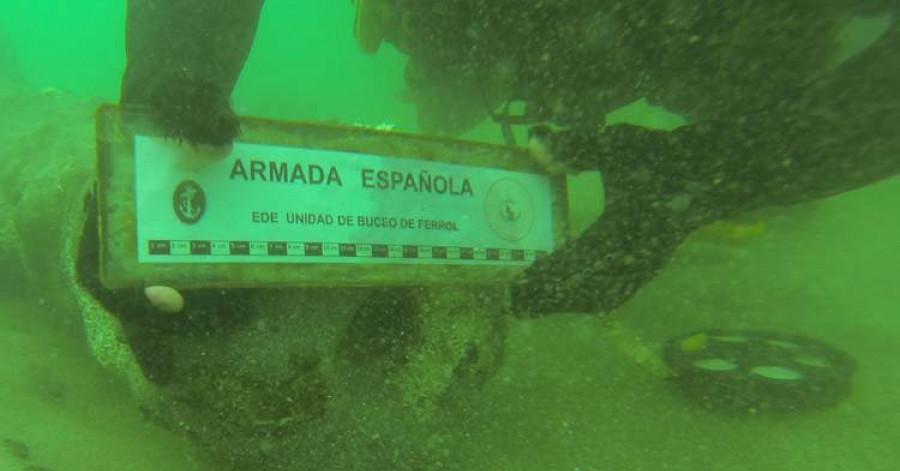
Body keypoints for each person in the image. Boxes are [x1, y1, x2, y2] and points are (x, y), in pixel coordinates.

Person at [122, 0, 899, 318]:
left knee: (761, 78)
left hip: (687, 41)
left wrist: (717, 169)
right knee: (451, 82)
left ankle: (753, 147)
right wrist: (175, 73)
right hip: (489, 33)